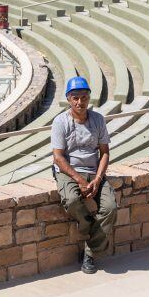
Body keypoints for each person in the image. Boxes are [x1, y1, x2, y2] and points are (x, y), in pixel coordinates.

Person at [51, 76, 117, 274]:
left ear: (89, 98)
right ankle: (88, 224)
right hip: (68, 171)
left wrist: (97, 179)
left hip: (92, 170)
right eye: (75, 98)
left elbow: (104, 151)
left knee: (111, 208)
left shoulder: (98, 119)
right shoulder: (60, 122)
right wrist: (79, 180)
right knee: (71, 200)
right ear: (69, 100)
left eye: (84, 97)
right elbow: (58, 158)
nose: (80, 102)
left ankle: (90, 252)